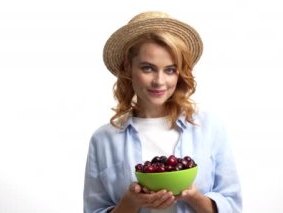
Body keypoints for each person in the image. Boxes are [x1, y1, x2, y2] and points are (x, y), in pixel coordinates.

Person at [83, 11, 242, 213]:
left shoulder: (209, 127)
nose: (159, 81)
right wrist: (130, 203)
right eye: (148, 68)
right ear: (128, 68)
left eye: (170, 70)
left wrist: (193, 197)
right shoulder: (104, 139)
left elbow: (233, 206)